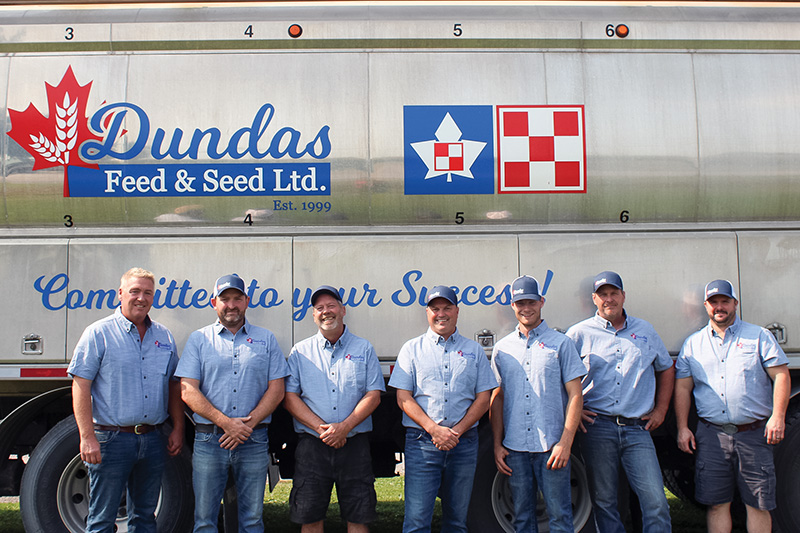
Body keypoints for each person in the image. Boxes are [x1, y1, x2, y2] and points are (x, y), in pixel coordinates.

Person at [68, 267, 184, 533]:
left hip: (153, 440)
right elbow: (80, 386)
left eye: (147, 293)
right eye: (134, 291)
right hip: (112, 441)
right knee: (101, 520)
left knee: (145, 519)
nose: (141, 298)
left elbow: (172, 385)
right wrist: (87, 437)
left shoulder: (164, 336)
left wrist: (178, 427)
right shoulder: (98, 333)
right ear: (120, 294)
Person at [674, 279, 790, 533]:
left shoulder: (759, 336)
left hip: (754, 434)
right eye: (713, 302)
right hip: (712, 436)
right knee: (716, 504)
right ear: (706, 306)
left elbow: (781, 375)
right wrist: (682, 427)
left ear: (735, 303)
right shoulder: (693, 344)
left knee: (758, 504)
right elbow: (683, 387)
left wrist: (778, 417)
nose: (719, 307)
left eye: (725, 301)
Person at [176, 274, 288, 533]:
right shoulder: (199, 339)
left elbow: (277, 388)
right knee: (204, 521)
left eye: (237, 298)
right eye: (225, 299)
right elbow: (187, 390)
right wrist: (227, 423)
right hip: (209, 441)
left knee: (252, 520)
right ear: (214, 302)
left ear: (247, 301)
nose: (231, 304)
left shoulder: (266, 339)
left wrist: (247, 425)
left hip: (254, 440)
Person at [566, 271, 674, 533]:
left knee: (656, 502)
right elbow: (561, 376)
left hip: (638, 430)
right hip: (597, 429)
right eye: (603, 295)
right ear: (594, 299)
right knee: (604, 502)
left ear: (623, 296)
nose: (609, 299)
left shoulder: (645, 331)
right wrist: (574, 413)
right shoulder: (579, 334)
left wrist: (661, 409)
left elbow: (667, 368)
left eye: (614, 293)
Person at [388, 285, 497, 533]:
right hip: (422, 442)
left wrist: (456, 431)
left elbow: (483, 398)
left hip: (464, 444)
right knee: (416, 522)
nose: (441, 314)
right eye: (435, 309)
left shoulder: (474, 351)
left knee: (458, 522)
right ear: (427, 313)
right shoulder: (411, 349)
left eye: (447, 308)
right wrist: (434, 430)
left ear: (457, 311)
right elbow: (403, 397)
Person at [284, 285, 385, 532]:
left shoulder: (364, 348)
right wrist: (325, 430)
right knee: (310, 517)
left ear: (343, 310)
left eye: (331, 306)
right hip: (312, 446)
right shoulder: (300, 352)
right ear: (313, 314)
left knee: (359, 517)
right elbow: (289, 397)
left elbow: (373, 395)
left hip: (355, 445)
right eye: (319, 308)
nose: (326, 312)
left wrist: (344, 428)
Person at [490, 275, 585, 533]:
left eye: (531, 301)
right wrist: (497, 444)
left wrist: (566, 443)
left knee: (560, 519)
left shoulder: (561, 344)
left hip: (551, 448)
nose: (526, 308)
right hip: (515, 450)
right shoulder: (502, 349)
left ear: (541, 302)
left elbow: (576, 395)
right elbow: (497, 399)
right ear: (513, 306)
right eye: (520, 303)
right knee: (522, 520)